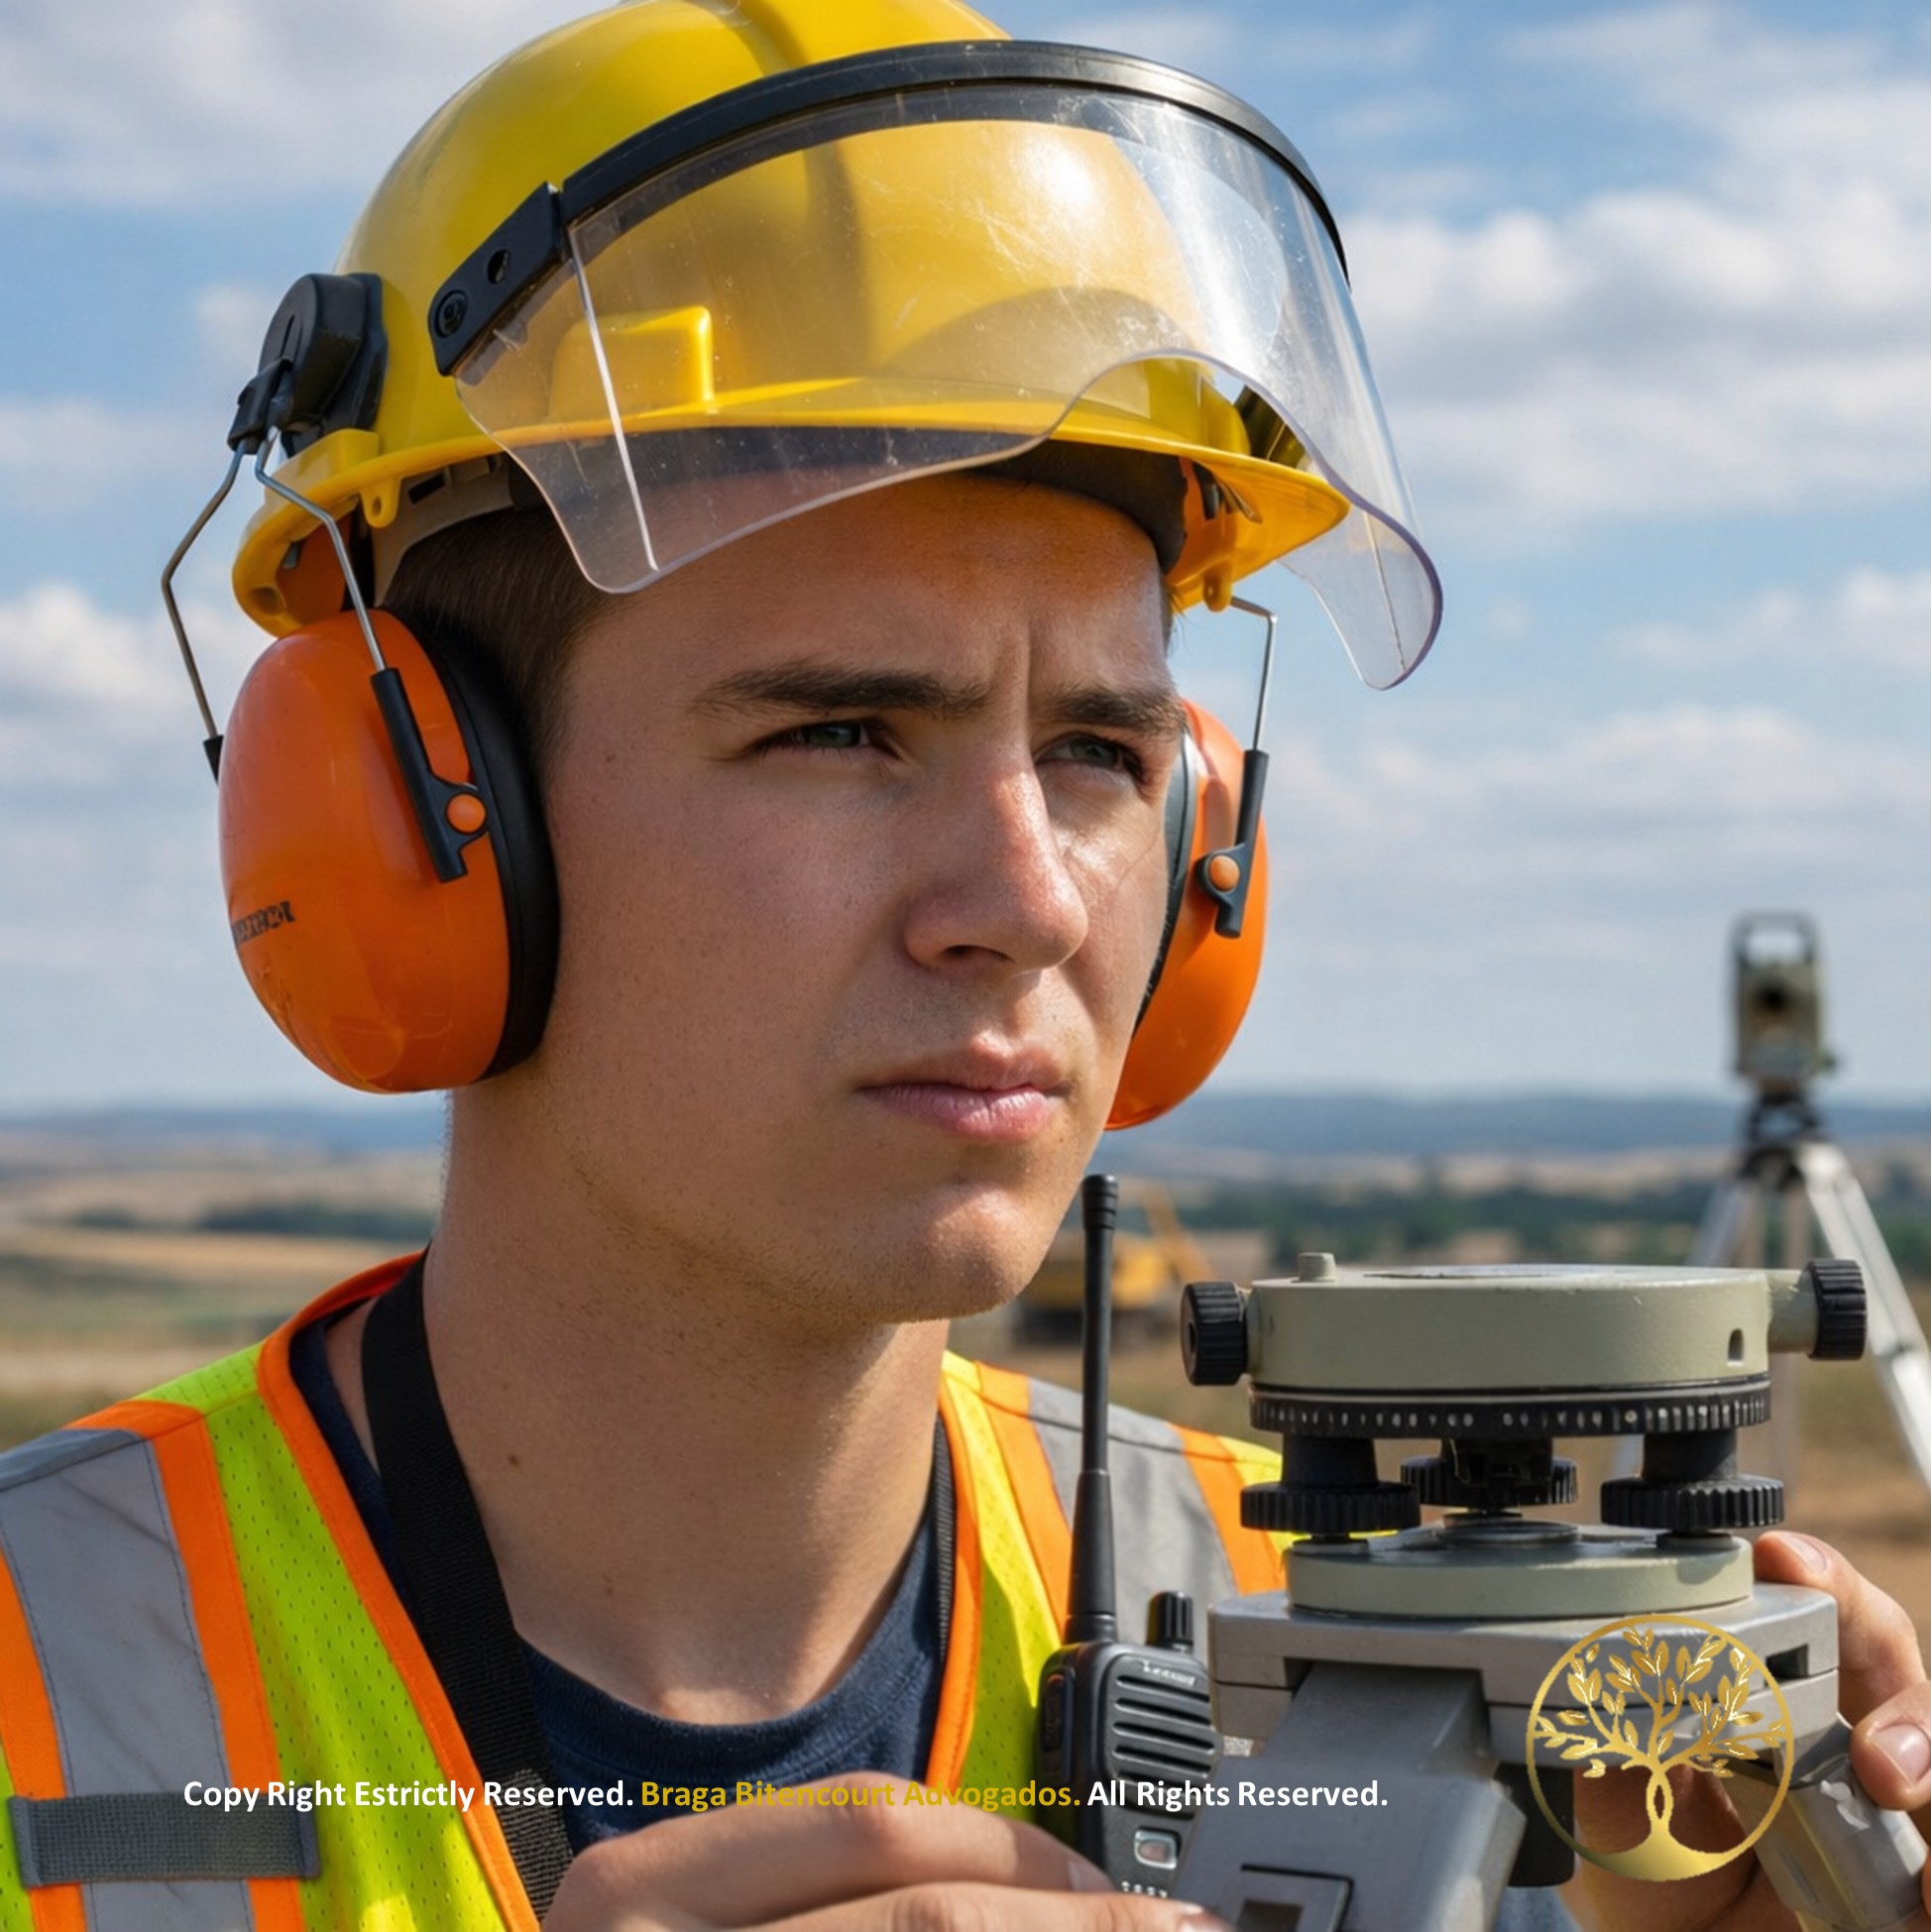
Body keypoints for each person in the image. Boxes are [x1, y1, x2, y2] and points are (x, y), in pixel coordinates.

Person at [2, 4, 1926, 1930]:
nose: (1027, 898)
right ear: (419, 825)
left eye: (1101, 752)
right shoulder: (43, 1671)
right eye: (838, 733)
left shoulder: (1379, 1673)